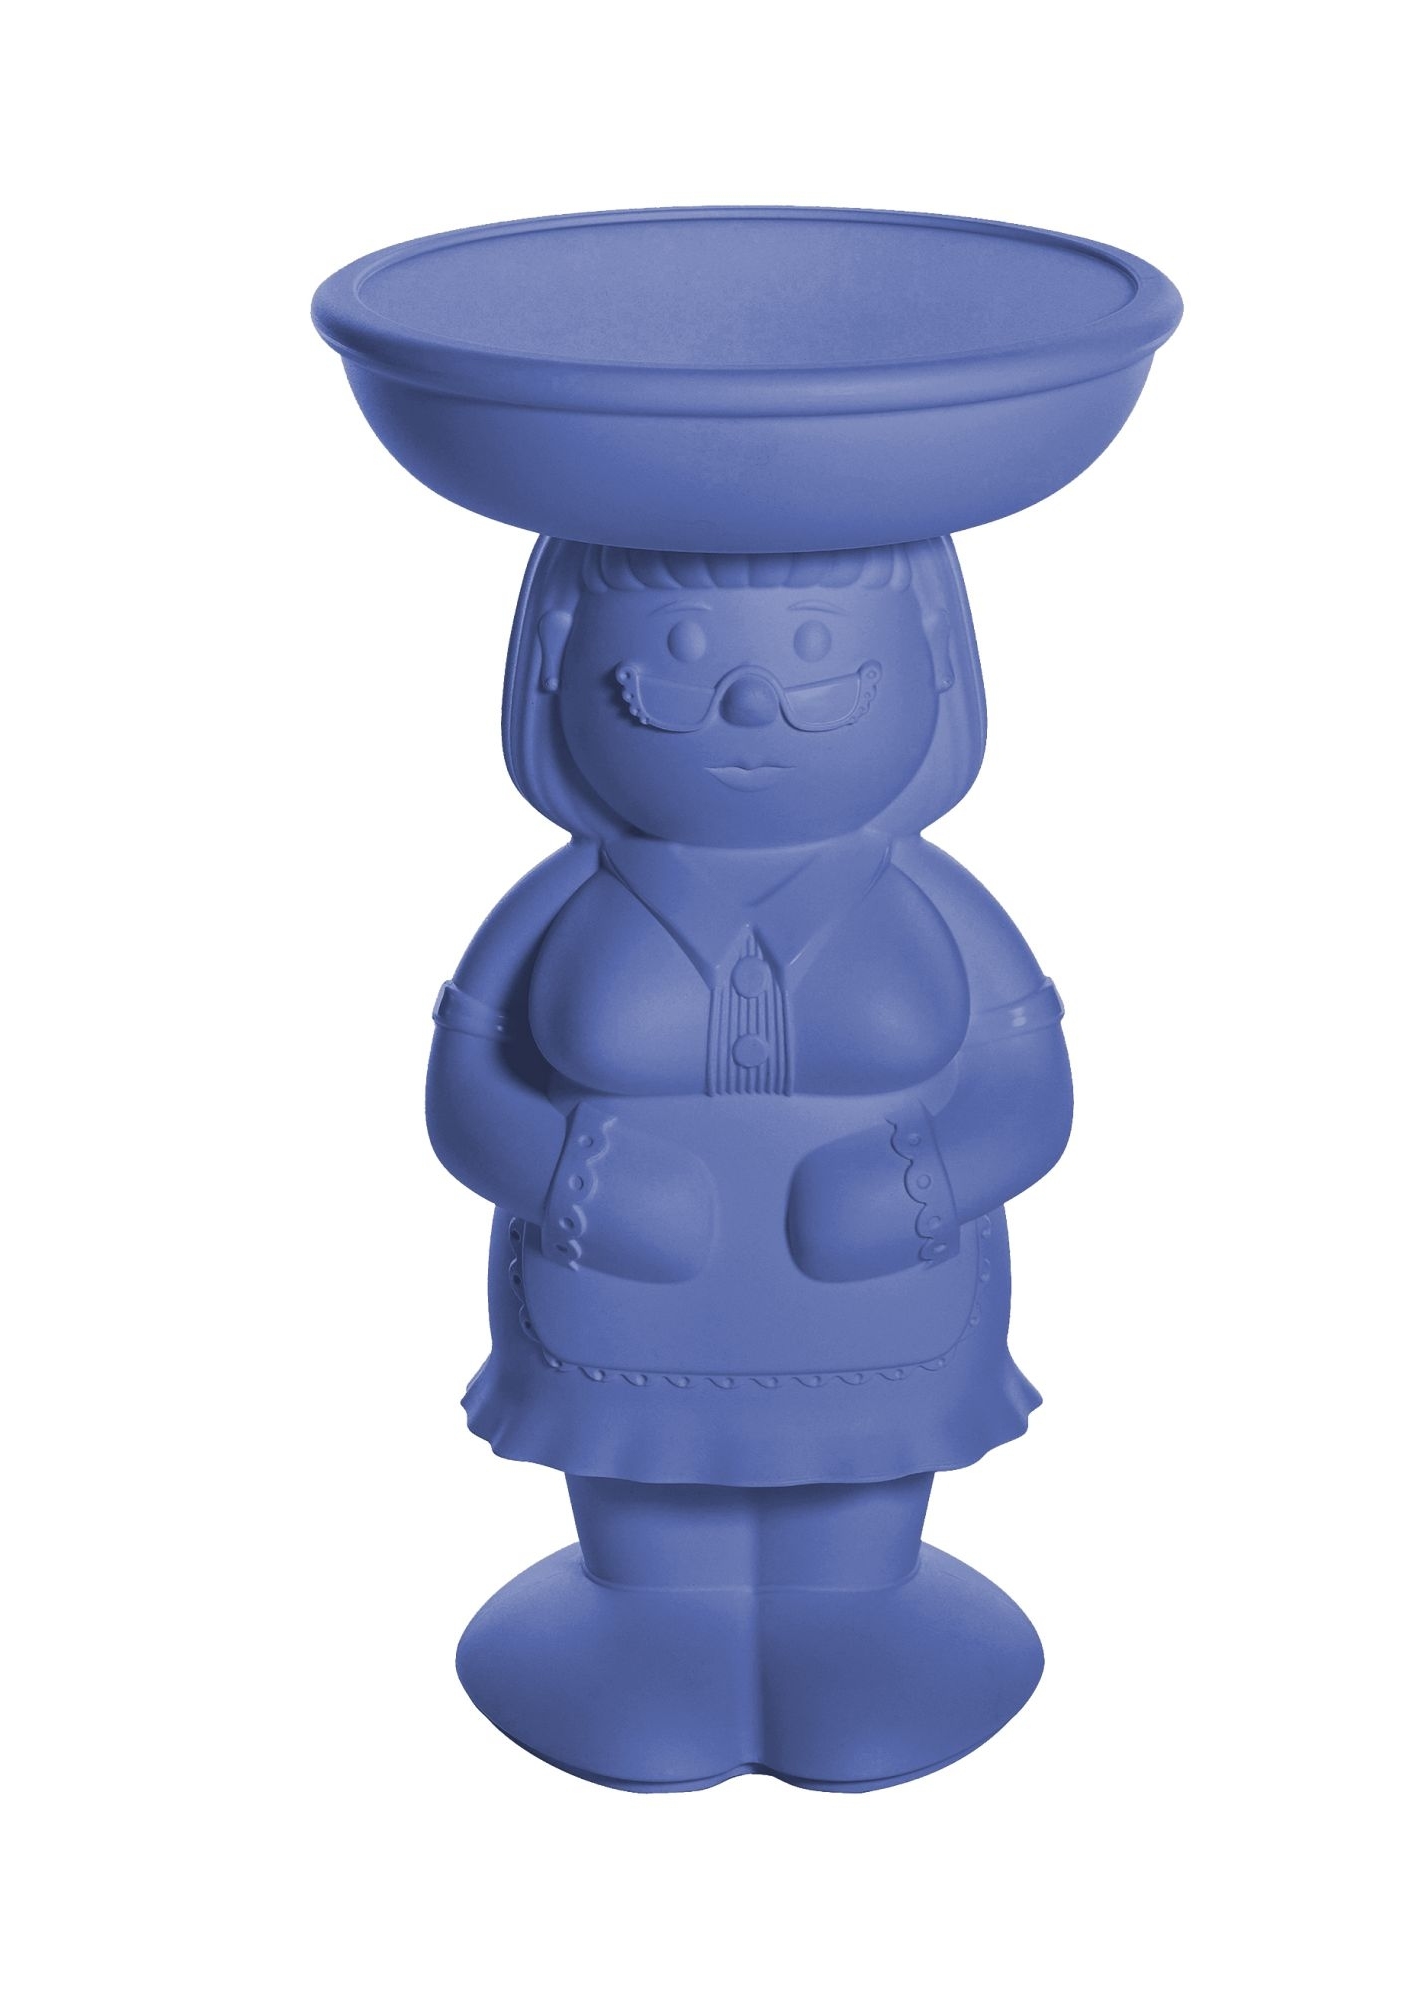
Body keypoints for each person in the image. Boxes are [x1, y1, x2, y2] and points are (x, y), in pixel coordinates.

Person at [434, 538, 1071, 1789]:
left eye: (817, 657)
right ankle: (645, 1616)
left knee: (857, 1493)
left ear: (932, 666)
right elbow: (463, 1093)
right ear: (557, 661)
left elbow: (1027, 1095)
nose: (745, 705)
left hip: (878, 1307)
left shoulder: (928, 898)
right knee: (645, 1495)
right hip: (622, 1306)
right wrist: (573, 1183)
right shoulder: (564, 900)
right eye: (675, 661)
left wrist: (922, 1185)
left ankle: (856, 1609)